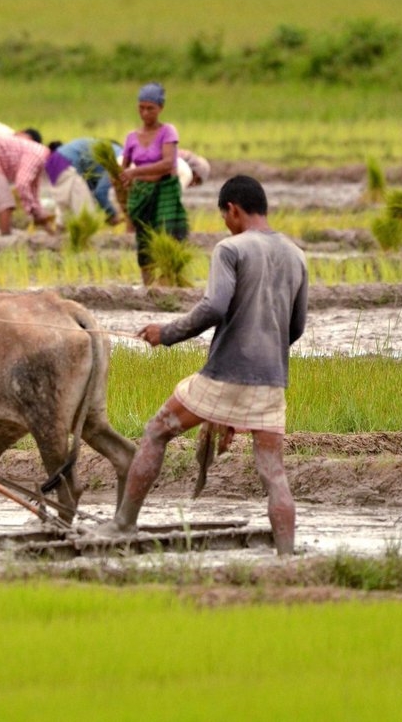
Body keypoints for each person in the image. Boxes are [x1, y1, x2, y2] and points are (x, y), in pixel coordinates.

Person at [93, 175, 307, 556]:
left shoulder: (230, 249)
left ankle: (123, 524)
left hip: (224, 373)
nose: (226, 222)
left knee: (157, 430)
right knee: (274, 473)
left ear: (233, 209)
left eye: (225, 215)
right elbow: (296, 327)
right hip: (272, 381)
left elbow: (213, 307)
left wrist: (167, 332)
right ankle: (287, 556)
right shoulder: (296, 254)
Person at [120, 82, 189, 285]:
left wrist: (135, 172)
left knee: (168, 235)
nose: (145, 113)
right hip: (141, 194)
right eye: (141, 107)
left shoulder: (168, 132)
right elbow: (123, 170)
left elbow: (168, 163)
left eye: (150, 108)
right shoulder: (132, 137)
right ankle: (148, 287)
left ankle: (167, 282)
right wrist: (123, 183)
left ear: (161, 108)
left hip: (165, 189)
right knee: (144, 240)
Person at [43, 138, 125, 225]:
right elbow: (100, 192)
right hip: (68, 164)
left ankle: (59, 234)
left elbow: (93, 187)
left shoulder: (102, 155)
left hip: (54, 163)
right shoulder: (117, 162)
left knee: (67, 212)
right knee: (86, 215)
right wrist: (112, 214)